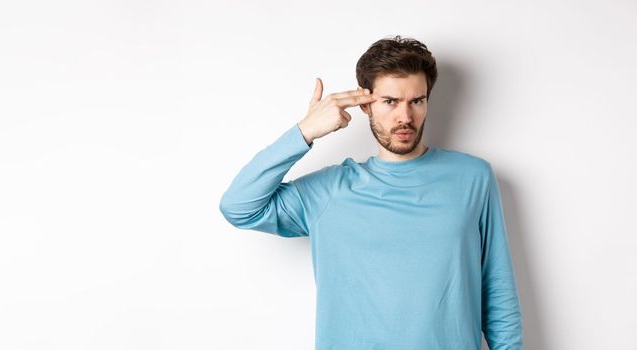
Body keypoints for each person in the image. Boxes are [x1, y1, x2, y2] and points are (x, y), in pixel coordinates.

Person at [218, 35, 523, 349]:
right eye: (390, 101)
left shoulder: (472, 178)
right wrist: (305, 131)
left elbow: (498, 292)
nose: (405, 117)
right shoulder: (328, 192)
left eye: (416, 101)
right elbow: (239, 206)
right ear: (365, 104)